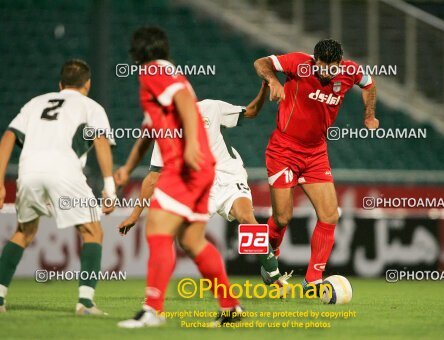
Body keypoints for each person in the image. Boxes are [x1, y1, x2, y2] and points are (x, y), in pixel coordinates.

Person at [117, 26, 241, 328]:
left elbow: (185, 100)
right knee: (192, 241)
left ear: (137, 53)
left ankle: (152, 310)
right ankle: (230, 308)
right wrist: (128, 167)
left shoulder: (152, 72)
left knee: (157, 229)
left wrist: (192, 147)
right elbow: (150, 132)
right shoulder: (168, 74)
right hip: (201, 169)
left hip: (184, 168)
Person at [115, 83, 292, 290]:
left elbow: (251, 112)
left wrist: (264, 86)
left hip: (229, 175)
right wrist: (135, 215)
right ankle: (156, 292)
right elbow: (153, 177)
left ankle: (273, 275)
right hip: (200, 186)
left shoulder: (211, 108)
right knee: (178, 236)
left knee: (247, 219)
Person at [253, 39, 378, 291]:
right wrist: (274, 81)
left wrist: (369, 115)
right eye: (322, 67)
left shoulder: (350, 71)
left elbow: (369, 84)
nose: (326, 73)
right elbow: (261, 63)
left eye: (332, 69)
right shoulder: (299, 62)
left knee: (330, 215)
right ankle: (270, 256)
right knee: (282, 217)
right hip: (284, 150)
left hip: (316, 153)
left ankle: (313, 280)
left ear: (340, 64)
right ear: (314, 61)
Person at [0, 59, 116, 315]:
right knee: (92, 232)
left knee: (24, 231)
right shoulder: (91, 106)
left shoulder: (35, 103)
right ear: (88, 84)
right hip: (64, 169)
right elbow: (100, 140)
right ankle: (85, 302)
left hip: (28, 169)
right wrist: (110, 188)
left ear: (60, 84)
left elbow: (9, 136)